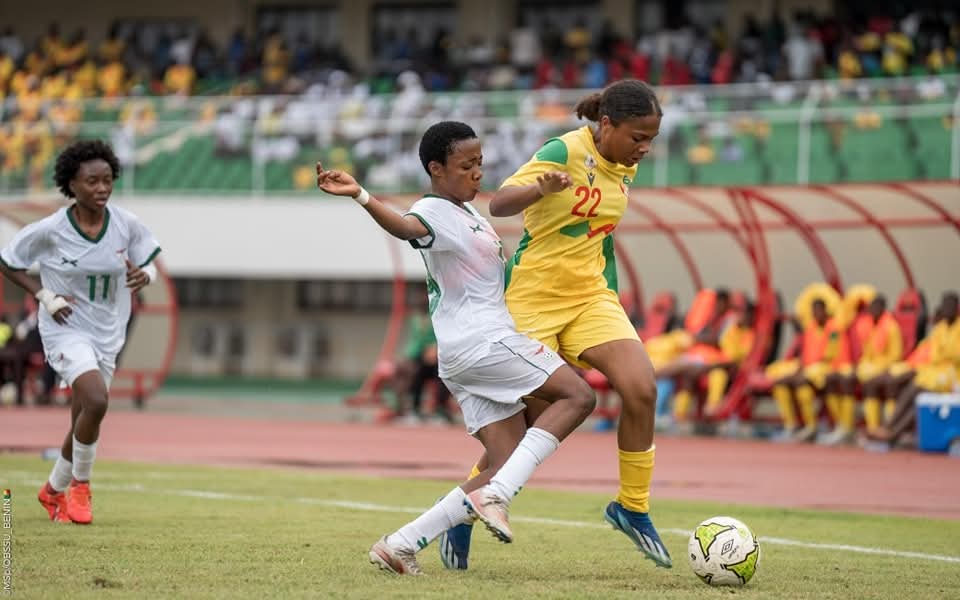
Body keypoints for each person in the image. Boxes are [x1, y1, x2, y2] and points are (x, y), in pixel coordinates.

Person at [315, 121, 596, 576]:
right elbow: (408, 228)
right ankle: (497, 496)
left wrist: (540, 191)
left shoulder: (469, 214)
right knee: (579, 396)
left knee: (503, 466)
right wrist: (361, 196)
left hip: (461, 354)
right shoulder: (435, 210)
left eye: (481, 163)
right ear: (436, 169)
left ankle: (400, 544)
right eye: (467, 165)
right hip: (484, 341)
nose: (478, 172)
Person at [441, 79, 672, 570]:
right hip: (534, 301)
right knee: (523, 429)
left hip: (589, 298)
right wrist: (538, 188)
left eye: (651, 137)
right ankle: (460, 512)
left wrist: (604, 287)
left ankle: (631, 507)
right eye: (638, 137)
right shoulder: (564, 149)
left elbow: (599, 236)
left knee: (641, 388)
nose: (645, 148)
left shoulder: (624, 167)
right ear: (605, 125)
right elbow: (499, 203)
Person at [0, 140, 160, 524]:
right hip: (65, 327)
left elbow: (150, 261)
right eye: (92, 181)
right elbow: (8, 262)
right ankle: (80, 488)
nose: (102, 188)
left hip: (109, 330)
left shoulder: (126, 224)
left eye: (107, 180)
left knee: (84, 416)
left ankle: (52, 490)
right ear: (71, 184)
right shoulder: (52, 229)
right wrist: (42, 293)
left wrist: (146, 274)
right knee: (98, 401)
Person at [868, 292, 960, 448]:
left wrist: (946, 354)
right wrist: (946, 354)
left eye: (950, 306)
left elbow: (955, 356)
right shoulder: (940, 329)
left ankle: (893, 433)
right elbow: (936, 355)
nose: (947, 309)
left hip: (953, 374)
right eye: (944, 306)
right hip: (936, 371)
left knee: (919, 391)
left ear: (957, 308)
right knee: (913, 391)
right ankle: (889, 427)